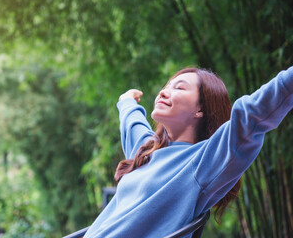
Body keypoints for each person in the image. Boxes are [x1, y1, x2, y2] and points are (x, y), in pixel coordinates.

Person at [83, 66, 293, 238]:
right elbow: (132, 123)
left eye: (179, 88)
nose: (163, 92)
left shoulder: (201, 163)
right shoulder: (147, 150)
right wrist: (126, 101)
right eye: (166, 86)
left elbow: (251, 115)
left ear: (199, 110)